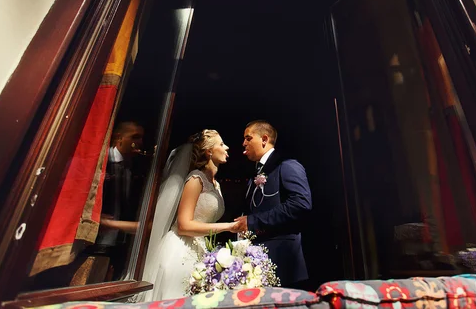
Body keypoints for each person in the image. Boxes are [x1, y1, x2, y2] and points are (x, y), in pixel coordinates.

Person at [140, 129, 237, 300]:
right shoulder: (195, 179)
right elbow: (184, 225)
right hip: (180, 249)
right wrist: (228, 227)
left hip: (200, 249)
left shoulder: (215, 185)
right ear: (209, 151)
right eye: (221, 144)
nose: (227, 148)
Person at [234, 120, 312, 288]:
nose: (243, 143)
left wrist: (253, 221)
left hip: (283, 260)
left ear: (264, 139)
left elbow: (301, 203)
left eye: (248, 138)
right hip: (258, 262)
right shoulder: (255, 173)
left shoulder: (287, 165)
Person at [93, 121, 145, 279]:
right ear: (119, 138)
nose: (140, 142)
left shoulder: (138, 166)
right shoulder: (102, 161)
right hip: (98, 238)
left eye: (142, 138)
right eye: (135, 137)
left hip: (121, 239)